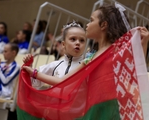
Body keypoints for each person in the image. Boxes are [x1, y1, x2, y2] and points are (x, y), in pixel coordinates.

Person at [19, 4, 149, 120]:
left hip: (114, 110)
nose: (87, 24)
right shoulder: (90, 57)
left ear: (103, 25)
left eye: (91, 20)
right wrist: (34, 73)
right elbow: (63, 81)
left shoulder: (118, 50)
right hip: (93, 110)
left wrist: (143, 43)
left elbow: (136, 72)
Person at [17, 21, 87, 119]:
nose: (78, 43)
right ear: (63, 44)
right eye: (73, 39)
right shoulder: (55, 65)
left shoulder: (87, 67)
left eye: (82, 40)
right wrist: (29, 66)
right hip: (52, 115)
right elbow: (34, 83)